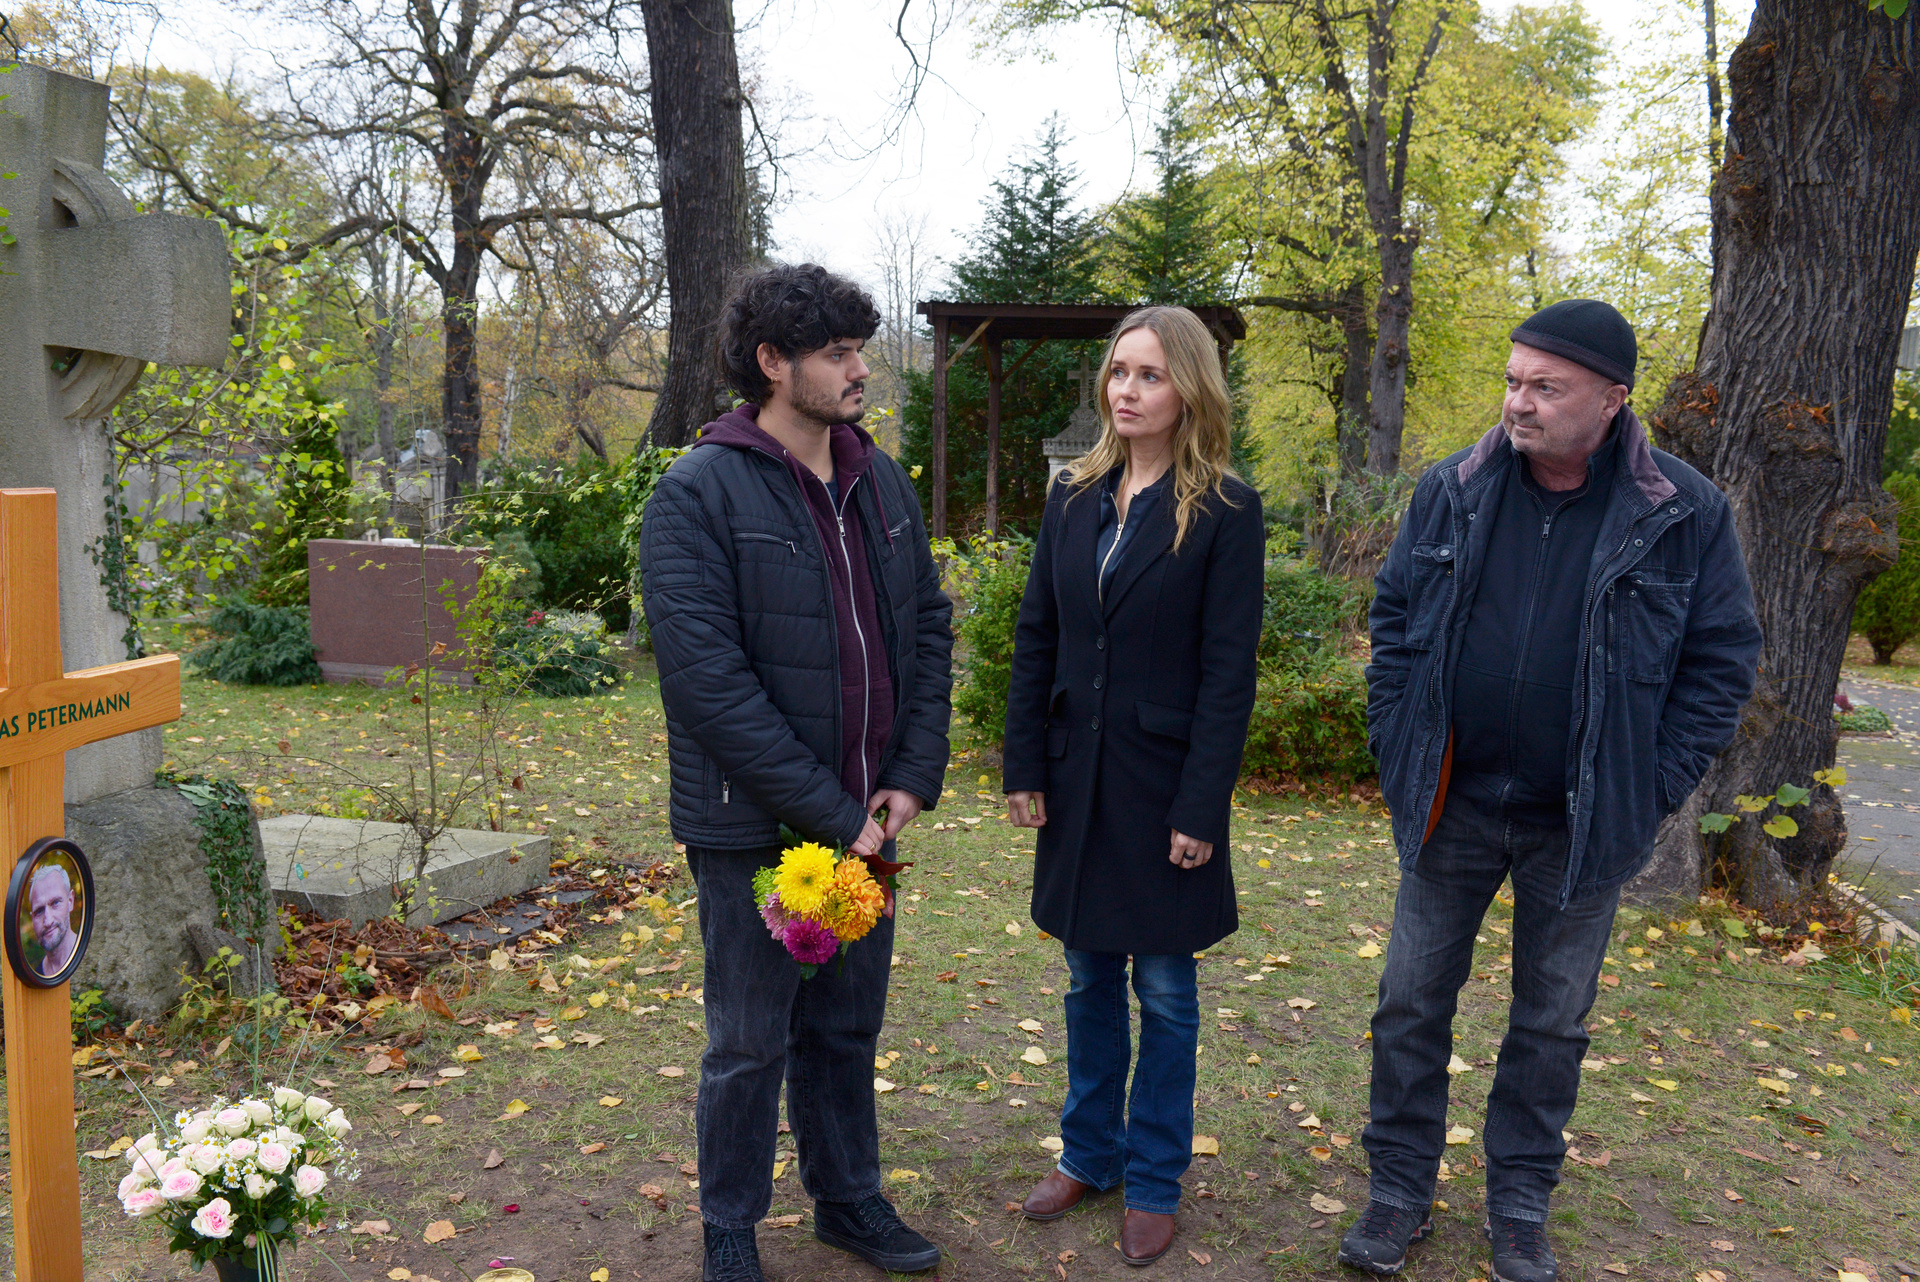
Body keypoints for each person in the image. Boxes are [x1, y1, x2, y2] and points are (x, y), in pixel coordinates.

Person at [1346, 300, 1762, 1281]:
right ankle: (1398, 1190)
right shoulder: (1453, 487)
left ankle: (1521, 1204)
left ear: (1612, 400)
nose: (1518, 403)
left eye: (1545, 387)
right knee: (1408, 1001)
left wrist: (1648, 787)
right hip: (1451, 801)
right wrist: (1397, 737)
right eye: (1513, 381)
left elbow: (1722, 662)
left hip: (1582, 820)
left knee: (1551, 1023)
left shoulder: (1685, 511)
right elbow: (1396, 619)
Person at [639, 263, 954, 1282]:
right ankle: (730, 1227)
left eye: (861, 349)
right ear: (772, 363)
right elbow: (708, 686)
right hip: (753, 830)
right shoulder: (697, 493)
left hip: (868, 821)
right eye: (838, 353)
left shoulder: (880, 480)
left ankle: (849, 1200)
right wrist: (830, 812)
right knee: (748, 1040)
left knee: (847, 1027)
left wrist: (911, 776)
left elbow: (929, 628)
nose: (861, 370)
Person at [1002, 305, 1264, 1266]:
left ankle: (1154, 1178)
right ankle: (1090, 1153)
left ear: (1188, 388)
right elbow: (1039, 634)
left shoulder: (1226, 509)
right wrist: (1024, 763)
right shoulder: (1074, 496)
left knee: (1164, 990)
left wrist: (1202, 805)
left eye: (1150, 375)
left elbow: (1228, 673)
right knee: (1086, 977)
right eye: (1119, 371)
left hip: (1164, 791)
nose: (1127, 390)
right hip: (1078, 783)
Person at [28, 862, 79, 976]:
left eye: (55, 903)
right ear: (32, 919)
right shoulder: (35, 979)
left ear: (70, 901)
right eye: (39, 911)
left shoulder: (91, 956)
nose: (48, 921)